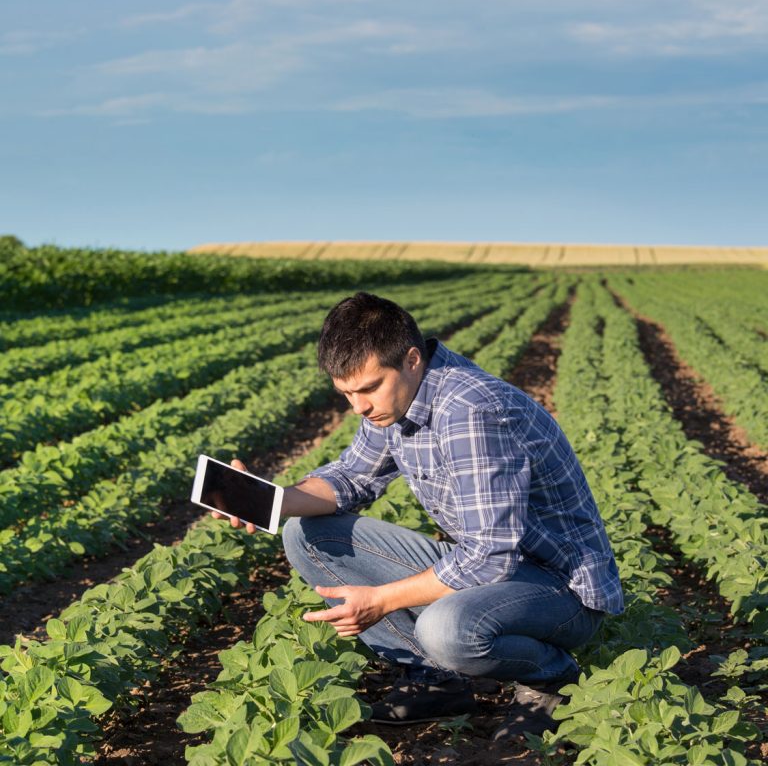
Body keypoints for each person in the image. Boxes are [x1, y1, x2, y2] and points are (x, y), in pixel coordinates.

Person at [213, 291, 623, 737]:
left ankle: (551, 679)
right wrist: (269, 498)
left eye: (369, 388)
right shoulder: (397, 400)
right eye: (346, 393)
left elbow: (489, 558)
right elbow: (352, 477)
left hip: (559, 590)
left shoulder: (470, 411)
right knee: (306, 534)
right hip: (494, 570)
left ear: (411, 359)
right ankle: (438, 680)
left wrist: (380, 601)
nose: (360, 407)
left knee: (446, 628)